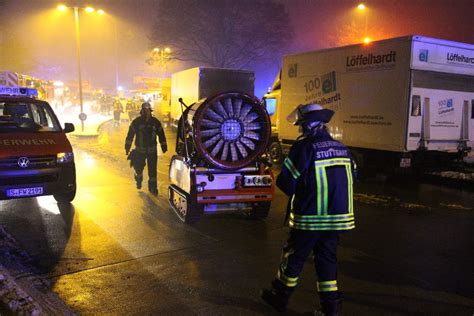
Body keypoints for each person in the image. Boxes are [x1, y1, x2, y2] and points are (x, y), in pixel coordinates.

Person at [261, 103, 356, 316]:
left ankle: (279, 297)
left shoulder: (304, 147)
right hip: (336, 220)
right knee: (327, 261)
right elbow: (353, 178)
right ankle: (330, 308)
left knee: (294, 258)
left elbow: (287, 183)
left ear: (308, 125)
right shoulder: (342, 148)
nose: (300, 130)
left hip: (309, 219)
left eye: (301, 125)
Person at [125, 102, 167, 194]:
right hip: (140, 151)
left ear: (150, 111)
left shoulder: (155, 122)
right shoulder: (136, 122)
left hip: (152, 151)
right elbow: (130, 135)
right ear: (141, 111)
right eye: (144, 110)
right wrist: (127, 147)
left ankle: (153, 187)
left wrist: (164, 146)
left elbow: (161, 134)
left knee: (152, 171)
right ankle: (138, 179)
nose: (146, 112)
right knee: (138, 168)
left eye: (147, 110)